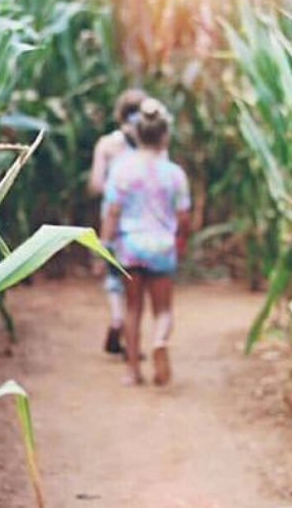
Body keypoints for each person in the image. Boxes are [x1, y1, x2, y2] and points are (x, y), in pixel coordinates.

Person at [100, 99, 190, 386]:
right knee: (163, 310)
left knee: (132, 308)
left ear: (137, 134)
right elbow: (184, 216)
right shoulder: (174, 173)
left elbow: (112, 211)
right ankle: (160, 340)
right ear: (165, 136)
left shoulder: (122, 169)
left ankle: (132, 370)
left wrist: (103, 245)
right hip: (162, 246)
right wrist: (179, 243)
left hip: (130, 247)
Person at [89, 88, 148, 355]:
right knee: (136, 278)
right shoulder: (152, 141)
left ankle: (116, 317)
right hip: (142, 219)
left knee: (114, 274)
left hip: (112, 217)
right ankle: (133, 336)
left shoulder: (107, 145)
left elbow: (96, 184)